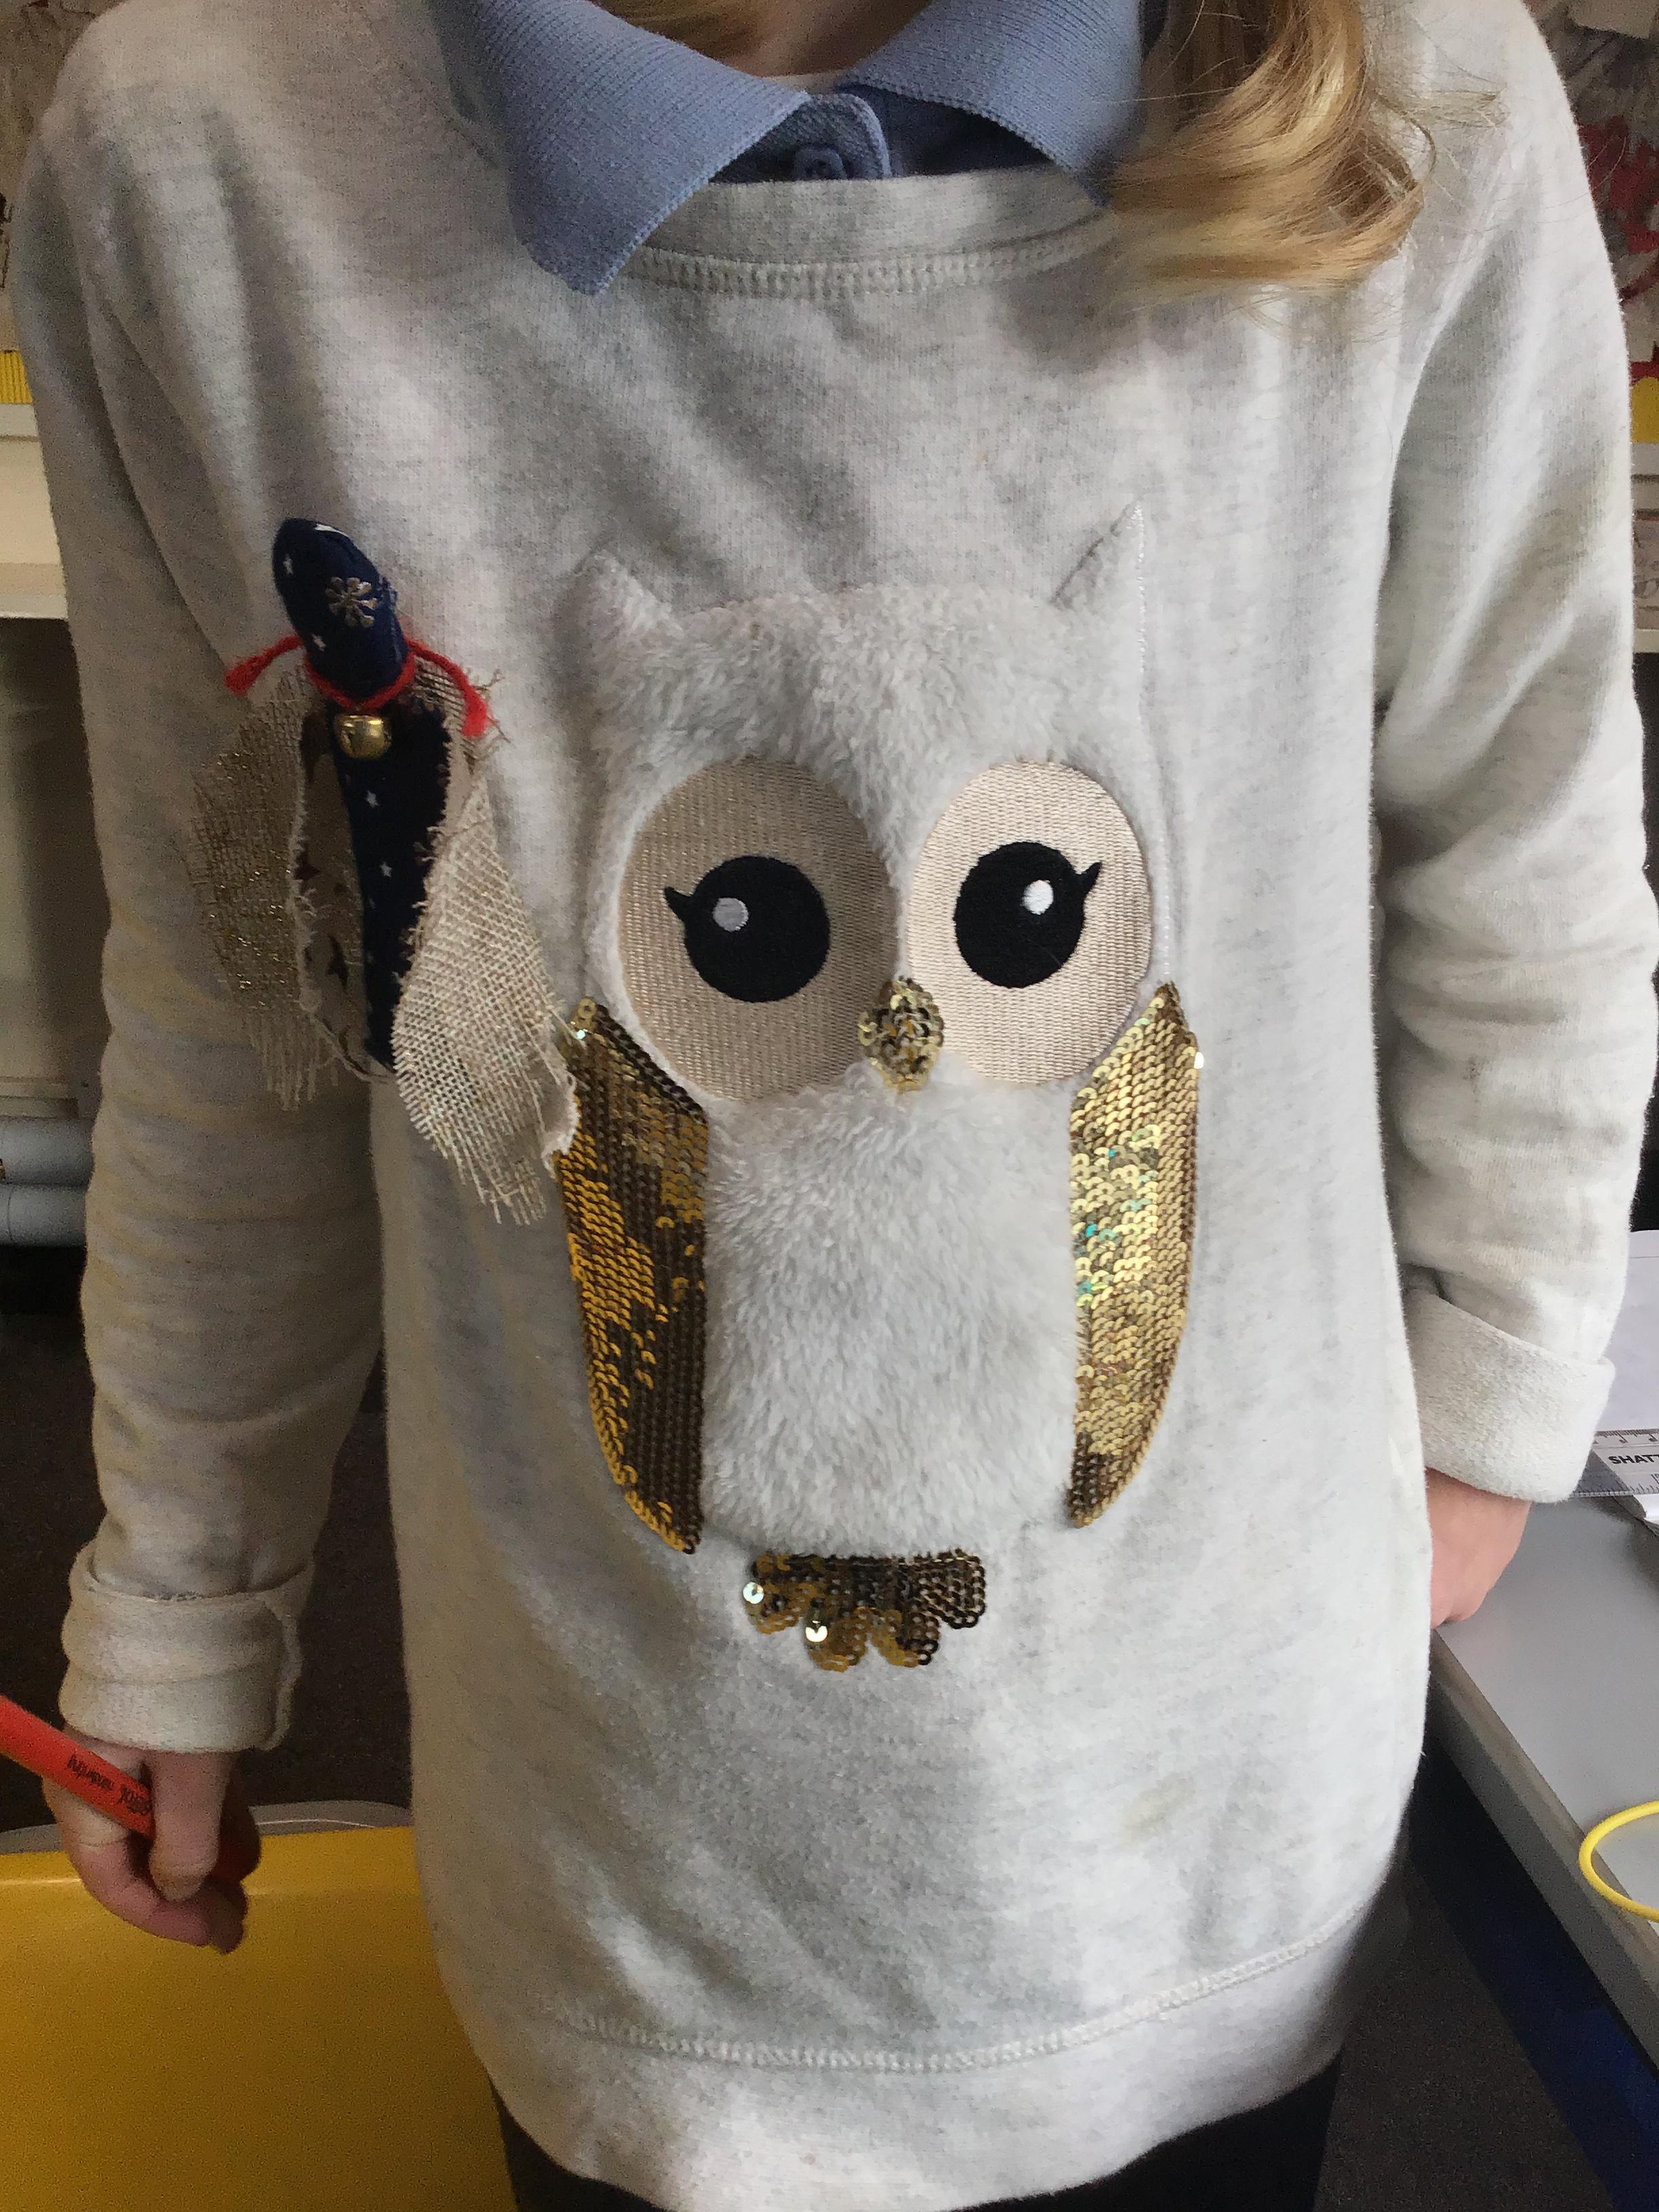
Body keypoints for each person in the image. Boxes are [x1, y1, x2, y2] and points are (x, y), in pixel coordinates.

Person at [12, 0, 1655, 2203]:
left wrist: (1483, 1424)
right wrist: (188, 1588)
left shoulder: (1407, 88)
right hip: (627, 1866)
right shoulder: (203, 161)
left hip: (1207, 1833)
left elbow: (1527, 851)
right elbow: (242, 998)